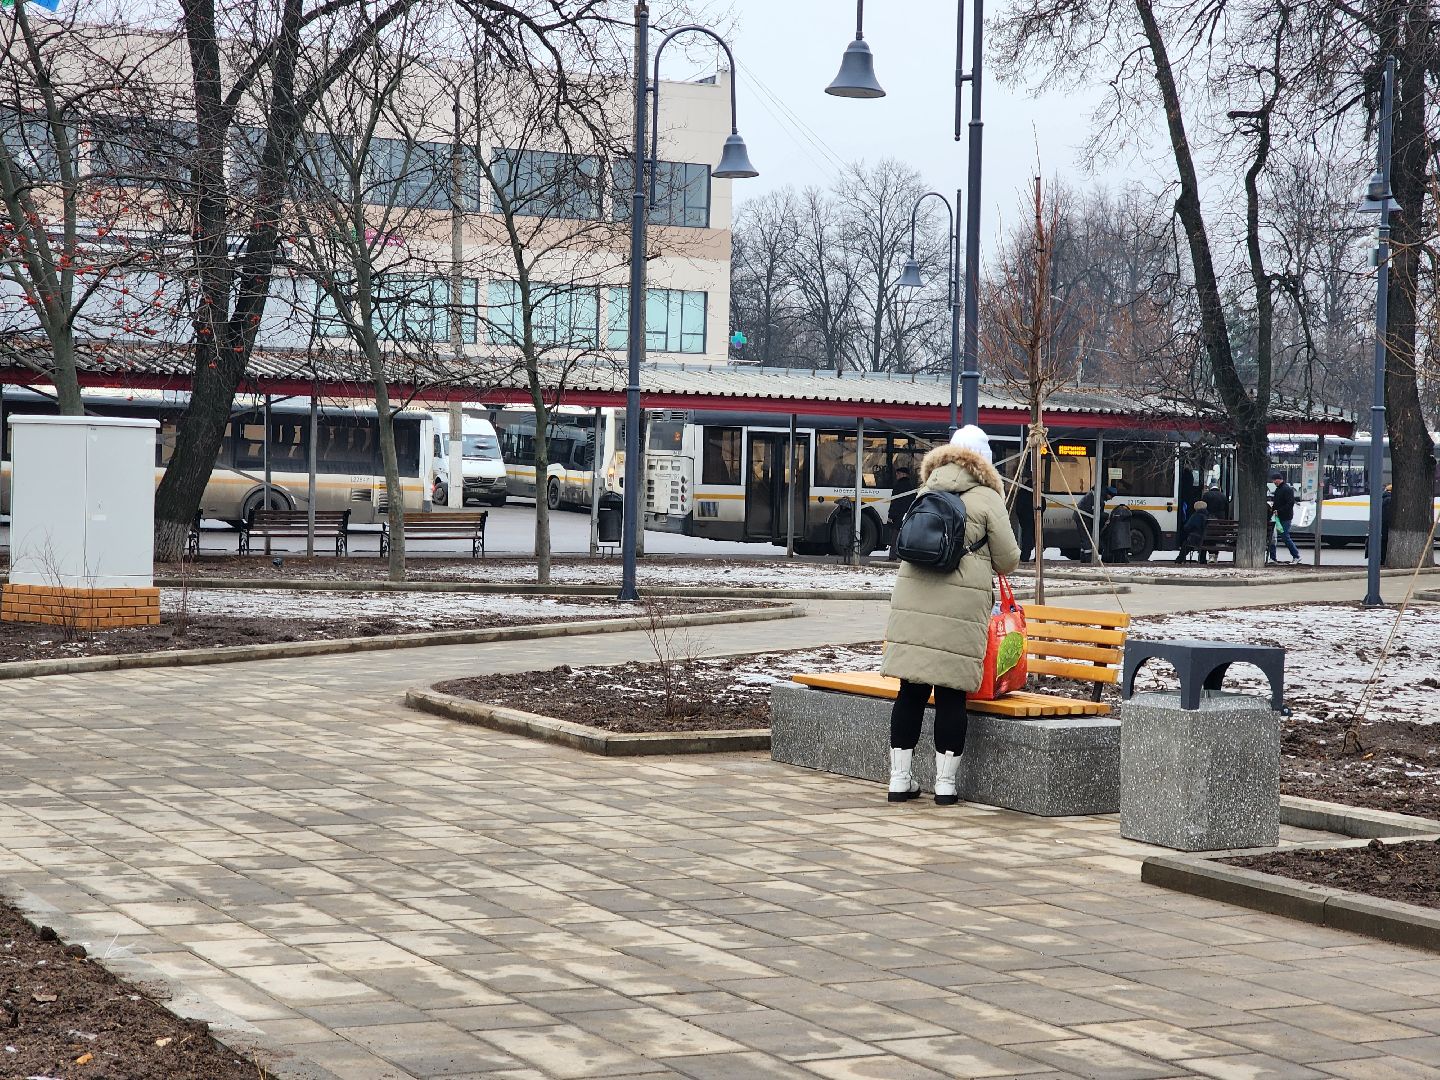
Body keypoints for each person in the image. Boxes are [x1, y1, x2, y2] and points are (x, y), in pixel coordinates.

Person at [881, 425, 1021, 806]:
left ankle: (899, 780)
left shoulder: (927, 490)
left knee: (910, 690)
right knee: (951, 695)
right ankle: (944, 786)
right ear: (984, 461)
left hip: (914, 596)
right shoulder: (988, 497)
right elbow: (1008, 559)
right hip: (959, 607)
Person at [1267, 471, 1301, 564]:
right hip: (1278, 516)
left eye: (1274, 480)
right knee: (1275, 537)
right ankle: (1273, 557)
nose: (1274, 482)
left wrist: (1278, 511)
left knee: (1284, 536)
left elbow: (1290, 503)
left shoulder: (1285, 489)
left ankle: (1296, 555)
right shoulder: (1281, 489)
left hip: (1284, 517)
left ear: (1279, 479)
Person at [886, 463, 918, 559]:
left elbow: (895, 502)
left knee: (895, 536)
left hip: (898, 515)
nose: (897, 476)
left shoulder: (898, 486)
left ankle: (892, 556)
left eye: (898, 474)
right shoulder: (911, 487)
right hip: (908, 514)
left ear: (903, 474)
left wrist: (891, 515)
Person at [1013, 465, 1035, 562]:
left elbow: (1019, 507)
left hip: (1026, 518)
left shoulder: (1022, 491)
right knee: (1036, 537)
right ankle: (1037, 557)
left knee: (1026, 537)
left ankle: (1025, 557)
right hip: (1035, 517)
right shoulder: (1037, 491)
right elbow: (1043, 505)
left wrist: (1021, 518)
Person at [1381, 483, 1393, 564]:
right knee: (1385, 544)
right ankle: (1383, 560)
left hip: (1383, 526)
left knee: (1383, 543)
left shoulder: (1384, 498)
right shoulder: (1389, 500)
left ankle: (1383, 560)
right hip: (1386, 526)